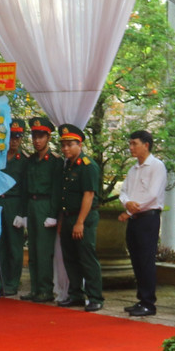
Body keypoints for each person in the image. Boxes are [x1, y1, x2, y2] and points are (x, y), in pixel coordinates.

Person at [118, 128, 166, 317]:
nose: (131, 148)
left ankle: (149, 302)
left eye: (134, 144)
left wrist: (129, 210)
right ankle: (141, 299)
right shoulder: (133, 169)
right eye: (130, 144)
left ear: (146, 145)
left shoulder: (157, 166)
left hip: (148, 218)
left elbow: (153, 195)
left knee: (146, 260)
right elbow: (124, 191)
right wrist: (126, 203)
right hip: (135, 218)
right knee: (136, 259)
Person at [56, 124, 102, 312]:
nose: (66, 148)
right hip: (67, 218)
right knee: (70, 258)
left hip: (83, 219)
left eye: (70, 144)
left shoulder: (87, 166)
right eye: (63, 145)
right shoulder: (68, 166)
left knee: (86, 258)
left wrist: (80, 222)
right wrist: (61, 221)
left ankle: (95, 297)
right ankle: (75, 294)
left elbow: (88, 195)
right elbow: (64, 195)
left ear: (79, 145)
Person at [21, 118, 61, 302]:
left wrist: (53, 215)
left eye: (41, 137)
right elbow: (25, 187)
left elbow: (56, 190)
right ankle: (35, 288)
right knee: (33, 250)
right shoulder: (30, 161)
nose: (37, 141)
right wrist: (24, 213)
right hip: (32, 204)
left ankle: (46, 289)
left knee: (44, 251)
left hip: (45, 206)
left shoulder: (54, 161)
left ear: (48, 137)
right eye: (34, 136)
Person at [0, 119, 28, 297]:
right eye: (11, 137)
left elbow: (26, 189)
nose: (14, 141)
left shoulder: (24, 161)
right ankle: (2, 279)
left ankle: (13, 282)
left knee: (14, 246)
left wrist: (22, 214)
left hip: (14, 204)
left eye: (17, 137)